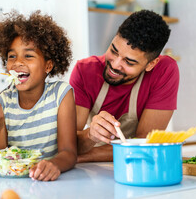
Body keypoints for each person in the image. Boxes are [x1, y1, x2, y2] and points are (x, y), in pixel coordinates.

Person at [0, 11, 77, 181]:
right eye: (12, 56)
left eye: (28, 55)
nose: (17, 62)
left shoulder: (61, 95)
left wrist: (54, 164)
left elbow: (69, 153)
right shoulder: (3, 101)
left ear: (48, 65)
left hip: (34, 180)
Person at [70, 10, 179, 162]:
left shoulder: (164, 70)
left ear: (151, 64)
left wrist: (82, 157)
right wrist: (90, 135)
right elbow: (68, 143)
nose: (115, 65)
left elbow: (144, 143)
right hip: (93, 169)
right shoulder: (84, 71)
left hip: (137, 165)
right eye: (113, 51)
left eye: (129, 62)